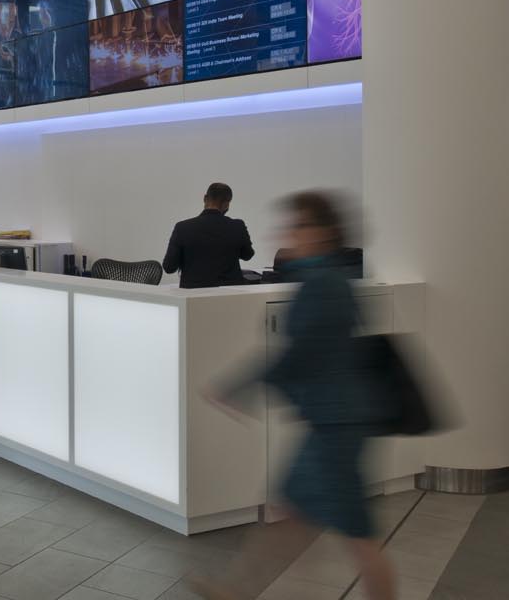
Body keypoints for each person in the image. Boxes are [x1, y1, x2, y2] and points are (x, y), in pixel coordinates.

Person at [194, 191, 394, 600]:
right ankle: (236, 589)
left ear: (324, 232)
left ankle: (235, 589)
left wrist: (235, 387)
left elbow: (297, 355)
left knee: (352, 531)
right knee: (295, 512)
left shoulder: (322, 285)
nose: (290, 233)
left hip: (336, 426)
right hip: (335, 421)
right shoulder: (329, 279)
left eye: (299, 225)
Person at [162, 182, 254, 288]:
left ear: (205, 198)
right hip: (230, 295)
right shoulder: (237, 226)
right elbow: (248, 255)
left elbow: (169, 267)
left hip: (193, 296)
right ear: (227, 204)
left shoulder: (182, 228)